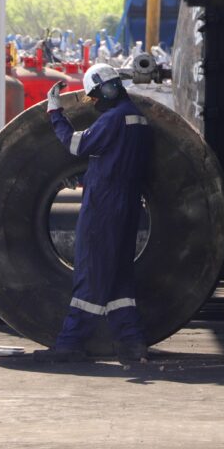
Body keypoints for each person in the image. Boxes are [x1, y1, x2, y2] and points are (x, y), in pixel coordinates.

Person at [33, 64, 152, 363]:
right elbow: (118, 160)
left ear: (103, 90)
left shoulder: (112, 119)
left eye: (94, 96)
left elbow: (76, 144)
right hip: (128, 206)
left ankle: (71, 342)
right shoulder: (138, 118)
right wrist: (89, 175)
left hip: (104, 209)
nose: (94, 103)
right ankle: (131, 341)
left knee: (91, 271)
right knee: (119, 276)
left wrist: (54, 112)